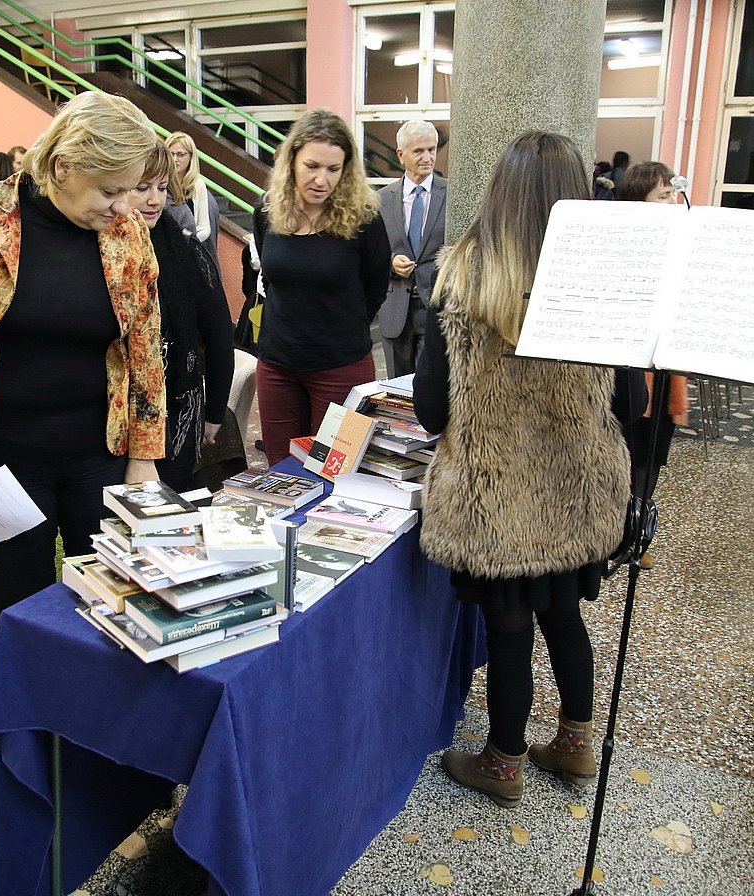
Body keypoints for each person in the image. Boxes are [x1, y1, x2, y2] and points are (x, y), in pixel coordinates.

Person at [415, 131, 630, 808]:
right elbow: (632, 404)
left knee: (509, 630)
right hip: (575, 489)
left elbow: (430, 407)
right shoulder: (604, 283)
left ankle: (503, 763)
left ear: (498, 192)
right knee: (564, 616)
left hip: (494, 493)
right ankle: (575, 744)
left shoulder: (461, 279)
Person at [0, 91, 165, 620]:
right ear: (62, 166)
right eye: (110, 190)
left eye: (131, 190)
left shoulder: (128, 234)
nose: (124, 206)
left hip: (101, 455)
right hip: (4, 457)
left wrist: (144, 458)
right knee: (22, 610)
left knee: (110, 609)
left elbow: (144, 347)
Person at [252, 109, 389, 465]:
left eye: (333, 169)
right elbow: (269, 277)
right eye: (311, 166)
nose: (321, 180)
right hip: (277, 367)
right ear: (291, 161)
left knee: (339, 472)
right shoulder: (267, 211)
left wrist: (340, 328)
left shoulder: (365, 219)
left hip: (344, 366)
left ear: (346, 170)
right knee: (281, 471)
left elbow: (376, 287)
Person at [126, 142, 234, 491]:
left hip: (176, 414)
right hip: (112, 420)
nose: (154, 200)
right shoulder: (98, 247)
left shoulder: (186, 249)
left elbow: (219, 335)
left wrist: (215, 412)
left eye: (161, 188)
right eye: (141, 188)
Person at [616, 161, 691, 568]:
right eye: (663, 196)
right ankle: (614, 530)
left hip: (664, 365)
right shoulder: (625, 247)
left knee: (653, 451)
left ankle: (638, 531)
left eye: (674, 194)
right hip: (631, 363)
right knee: (628, 446)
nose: (673, 202)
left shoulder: (682, 246)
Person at [377, 120, 447, 377]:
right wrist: (390, 263)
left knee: (430, 384)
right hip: (395, 308)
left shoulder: (451, 195)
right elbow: (371, 253)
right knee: (396, 388)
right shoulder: (381, 199)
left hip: (435, 307)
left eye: (431, 150)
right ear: (400, 154)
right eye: (418, 151)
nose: (427, 158)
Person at [164, 132, 220, 267]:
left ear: (191, 157)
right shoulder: (160, 182)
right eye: (171, 154)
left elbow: (205, 227)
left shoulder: (198, 185)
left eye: (181, 154)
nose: (175, 159)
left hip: (190, 249)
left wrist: (189, 240)